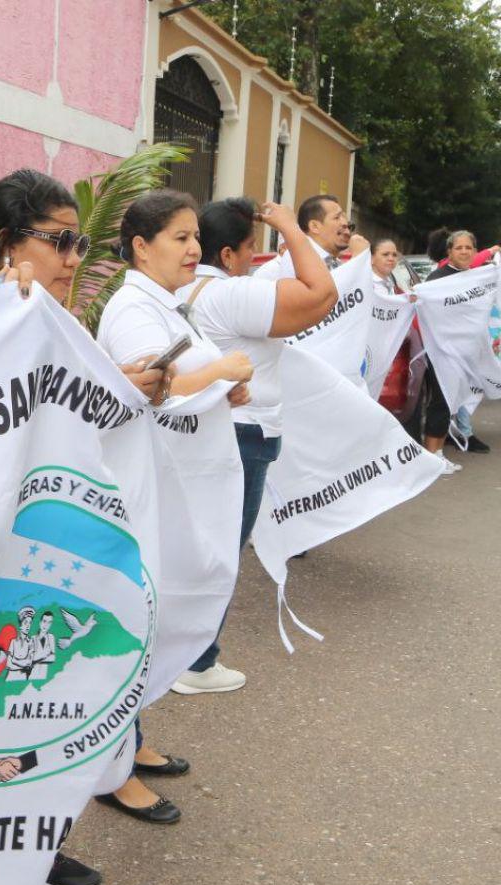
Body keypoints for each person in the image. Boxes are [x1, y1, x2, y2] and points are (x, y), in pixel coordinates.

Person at [0, 168, 172, 885]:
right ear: (5, 242)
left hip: (39, 559)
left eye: (79, 242)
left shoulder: (49, 318)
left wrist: (120, 386)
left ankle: (30, 844)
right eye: (58, 241)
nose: (74, 258)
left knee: (33, 703)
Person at [94, 189, 257, 827]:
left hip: (175, 486)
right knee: (135, 622)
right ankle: (114, 774)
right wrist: (219, 374)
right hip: (147, 490)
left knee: (156, 619)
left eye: (195, 237)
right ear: (141, 246)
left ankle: (132, 742)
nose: (194, 249)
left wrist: (220, 387)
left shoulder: (164, 304)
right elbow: (147, 390)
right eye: (180, 238)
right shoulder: (134, 311)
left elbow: (182, 383)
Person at [166, 196, 337, 694]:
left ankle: (178, 654)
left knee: (196, 546)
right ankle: (196, 664)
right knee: (221, 552)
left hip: (208, 429)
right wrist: (290, 227)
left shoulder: (187, 290)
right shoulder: (230, 294)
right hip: (243, 434)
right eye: (249, 249)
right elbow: (322, 294)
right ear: (227, 255)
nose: (253, 259)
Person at [420, 231, 493, 454]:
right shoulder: (437, 278)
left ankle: (439, 453)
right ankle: (432, 455)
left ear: (475, 252)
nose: (464, 252)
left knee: (452, 403)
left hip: (465, 353)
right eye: (459, 248)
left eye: (468, 248)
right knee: (441, 402)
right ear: (449, 252)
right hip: (442, 352)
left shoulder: (477, 278)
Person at [253, 193, 368, 280]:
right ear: (314, 226)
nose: (345, 223)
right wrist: (358, 260)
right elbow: (326, 296)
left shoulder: (335, 263)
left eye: (343, 217)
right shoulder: (297, 259)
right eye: (337, 217)